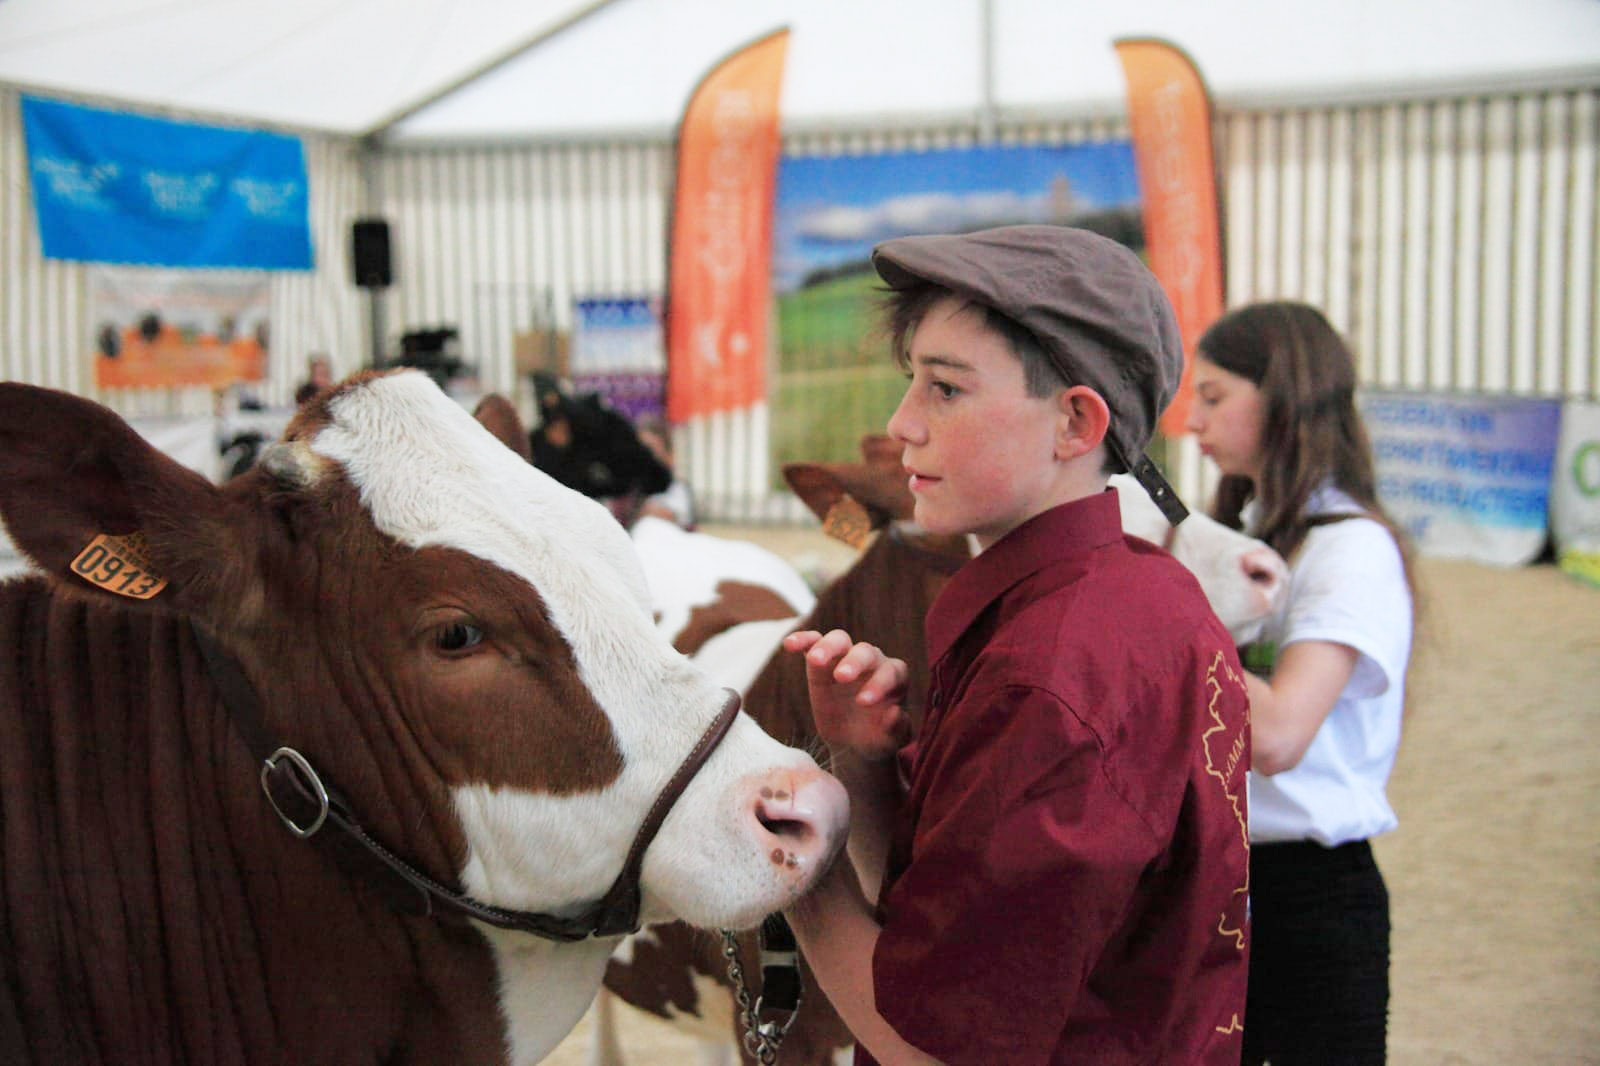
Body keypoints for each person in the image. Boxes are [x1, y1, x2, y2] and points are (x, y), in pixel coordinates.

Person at [782, 225, 1252, 1065]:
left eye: (946, 390)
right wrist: (861, 759)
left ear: (1074, 421)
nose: (901, 425)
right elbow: (957, 911)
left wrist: (796, 878)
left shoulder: (1046, 680)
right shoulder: (1150, 592)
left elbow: (935, 1051)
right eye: (910, 384)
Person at [1185, 301, 1415, 1065]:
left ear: (1284, 394)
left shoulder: (1350, 549)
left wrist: (1169, 605)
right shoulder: (1251, 538)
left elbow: (1278, 735)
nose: (1193, 422)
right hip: (1220, 880)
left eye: (1214, 397)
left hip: (1310, 896)